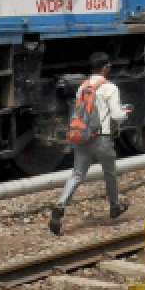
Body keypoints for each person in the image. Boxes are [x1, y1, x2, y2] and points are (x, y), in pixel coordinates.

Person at [49, 52, 131, 234]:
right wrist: (125, 113)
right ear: (105, 68)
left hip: (82, 137)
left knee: (77, 174)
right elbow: (117, 115)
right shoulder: (110, 88)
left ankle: (60, 204)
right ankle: (115, 206)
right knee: (110, 173)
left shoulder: (82, 87)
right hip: (101, 138)